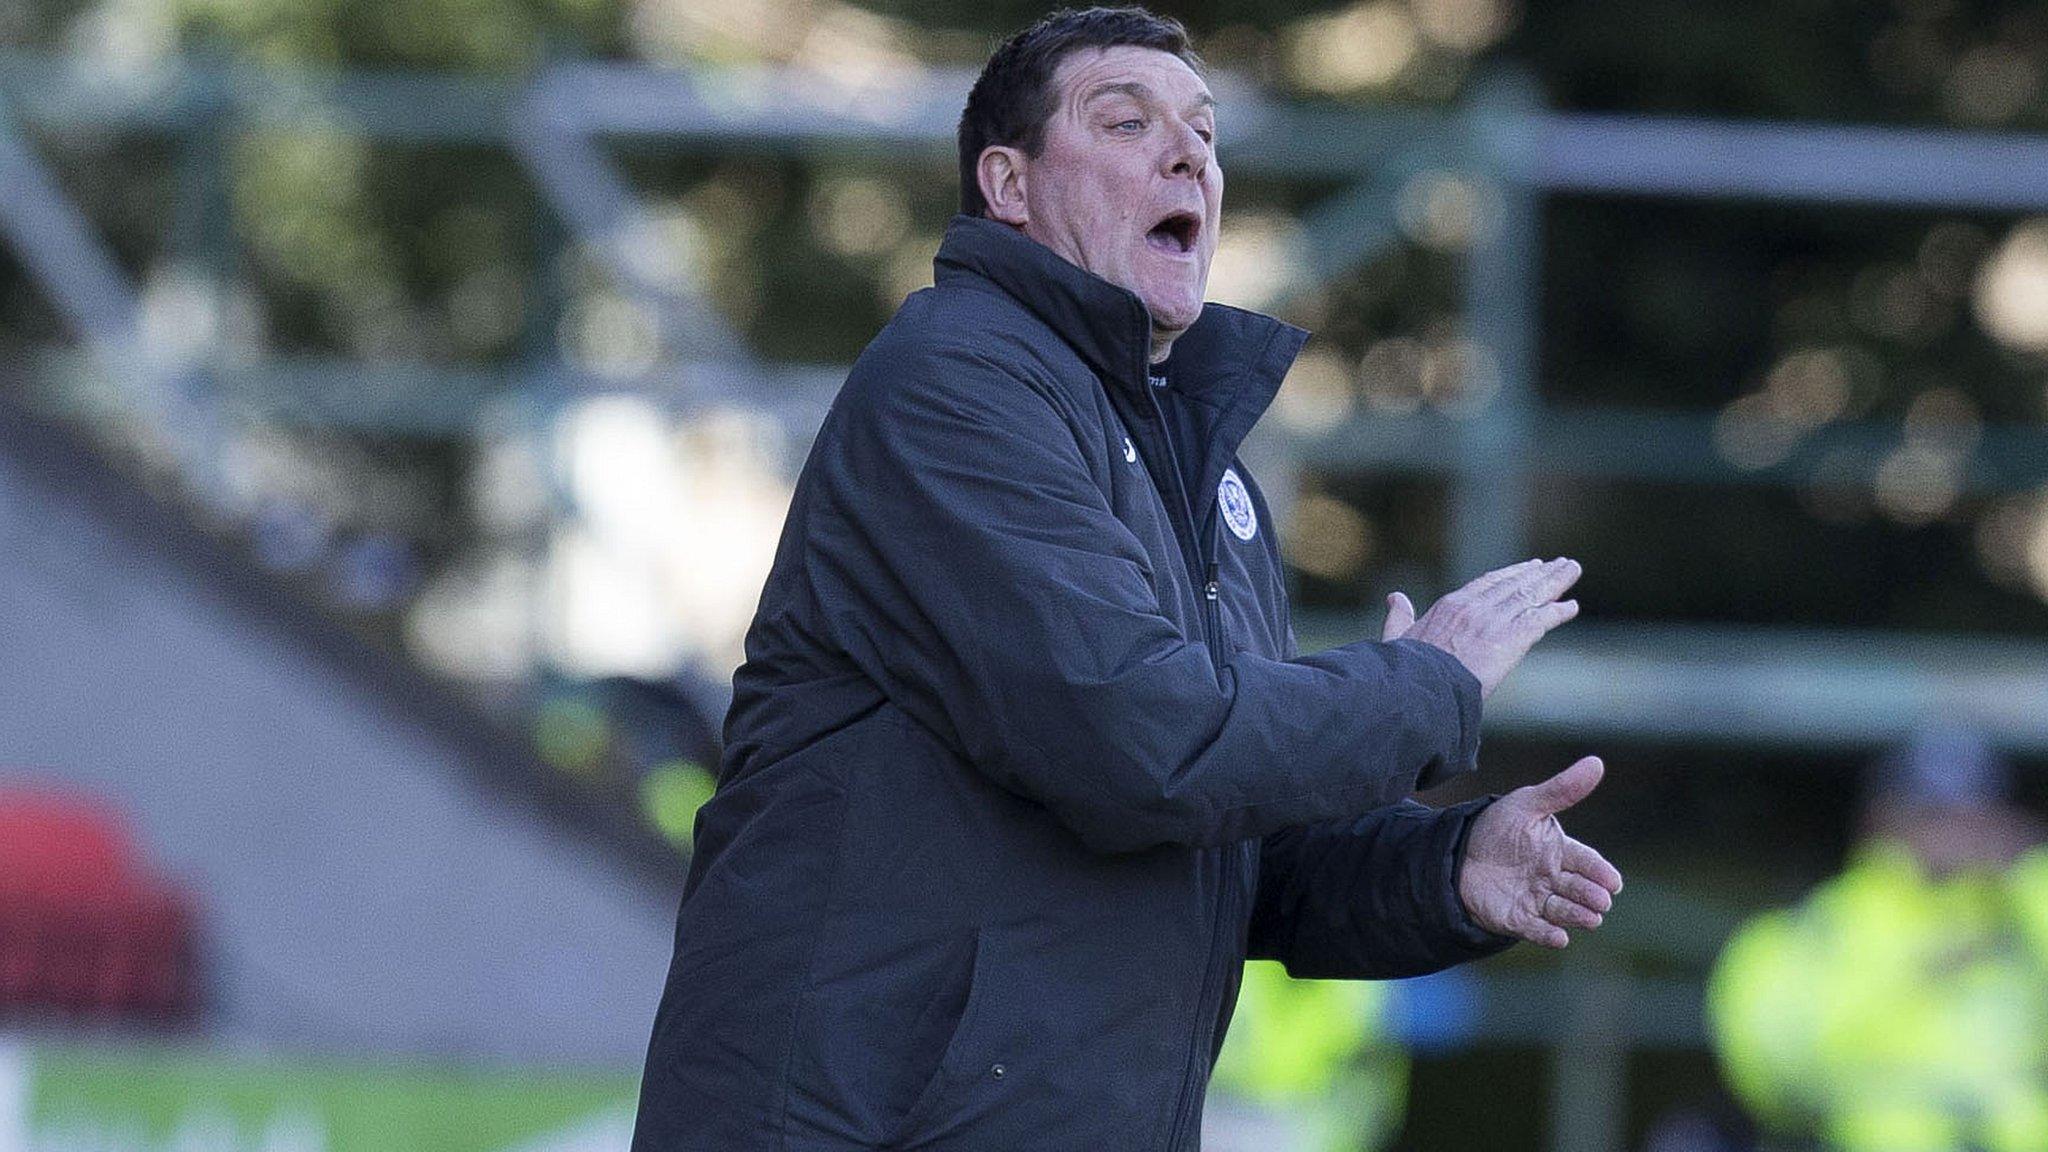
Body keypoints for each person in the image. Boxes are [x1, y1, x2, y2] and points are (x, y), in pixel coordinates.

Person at [630, 8, 1624, 1149]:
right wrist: (1418, 685)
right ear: (1007, 184)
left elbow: (1231, 843)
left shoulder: (1200, 473)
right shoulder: (954, 386)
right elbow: (1140, 741)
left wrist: (1447, 867)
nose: (1188, 152)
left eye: (1203, 131)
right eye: (1125, 121)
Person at [1708, 728, 2048, 1152]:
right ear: (1882, 818)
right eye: (1932, 813)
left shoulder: (2021, 903)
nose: (1957, 830)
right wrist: (1921, 974)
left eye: (1973, 811)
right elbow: (1781, 1073)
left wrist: (2027, 874)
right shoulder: (1827, 923)